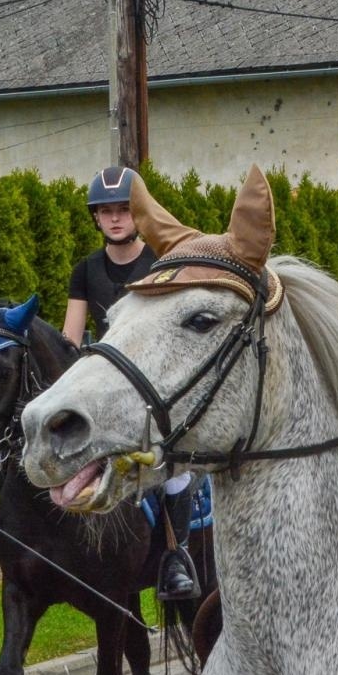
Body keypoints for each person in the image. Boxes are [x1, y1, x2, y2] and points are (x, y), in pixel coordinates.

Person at [65, 167, 200, 602]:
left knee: (172, 472)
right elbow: (71, 337)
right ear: (96, 219)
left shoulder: (158, 265)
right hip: (106, 388)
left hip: (151, 387)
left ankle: (174, 557)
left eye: (123, 209)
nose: (116, 219)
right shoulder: (85, 270)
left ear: (137, 215)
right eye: (106, 212)